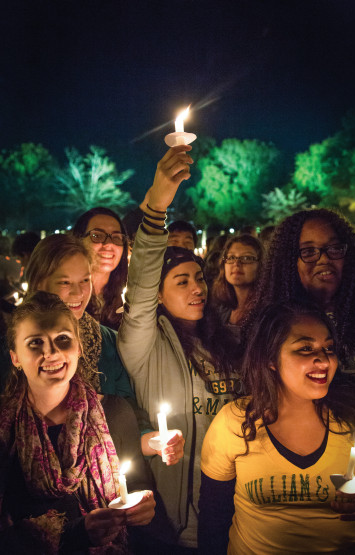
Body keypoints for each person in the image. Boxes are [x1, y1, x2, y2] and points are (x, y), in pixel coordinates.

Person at [117, 145, 239, 552]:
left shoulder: (226, 342)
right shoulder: (144, 344)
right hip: (176, 521)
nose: (196, 288)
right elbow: (141, 282)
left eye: (199, 277)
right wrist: (156, 208)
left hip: (232, 510)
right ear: (159, 294)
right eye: (181, 281)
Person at [199, 302, 355, 554]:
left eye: (328, 348)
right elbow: (214, 516)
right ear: (271, 359)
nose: (323, 359)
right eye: (305, 348)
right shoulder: (235, 421)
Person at [0, 291, 155, 554]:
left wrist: (143, 507)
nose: (52, 352)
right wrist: (77, 533)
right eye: (35, 343)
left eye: (63, 339)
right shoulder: (6, 429)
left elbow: (137, 484)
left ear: (79, 347)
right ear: (15, 357)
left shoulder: (115, 413)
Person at [243, 208, 355, 373]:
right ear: (287, 262)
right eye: (309, 251)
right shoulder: (270, 329)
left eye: (334, 248)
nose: (324, 258)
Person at [26, 234, 133, 400]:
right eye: (65, 282)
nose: (78, 293)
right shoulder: (16, 342)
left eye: (85, 280)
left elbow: (130, 410)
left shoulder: (110, 342)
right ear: (39, 283)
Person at [73, 207, 128, 330]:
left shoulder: (131, 296)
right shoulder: (66, 295)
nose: (109, 244)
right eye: (97, 236)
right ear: (78, 240)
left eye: (116, 237)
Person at [211, 234, 264, 327]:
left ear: (261, 265)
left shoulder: (267, 313)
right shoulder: (220, 309)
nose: (236, 263)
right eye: (231, 258)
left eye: (247, 258)